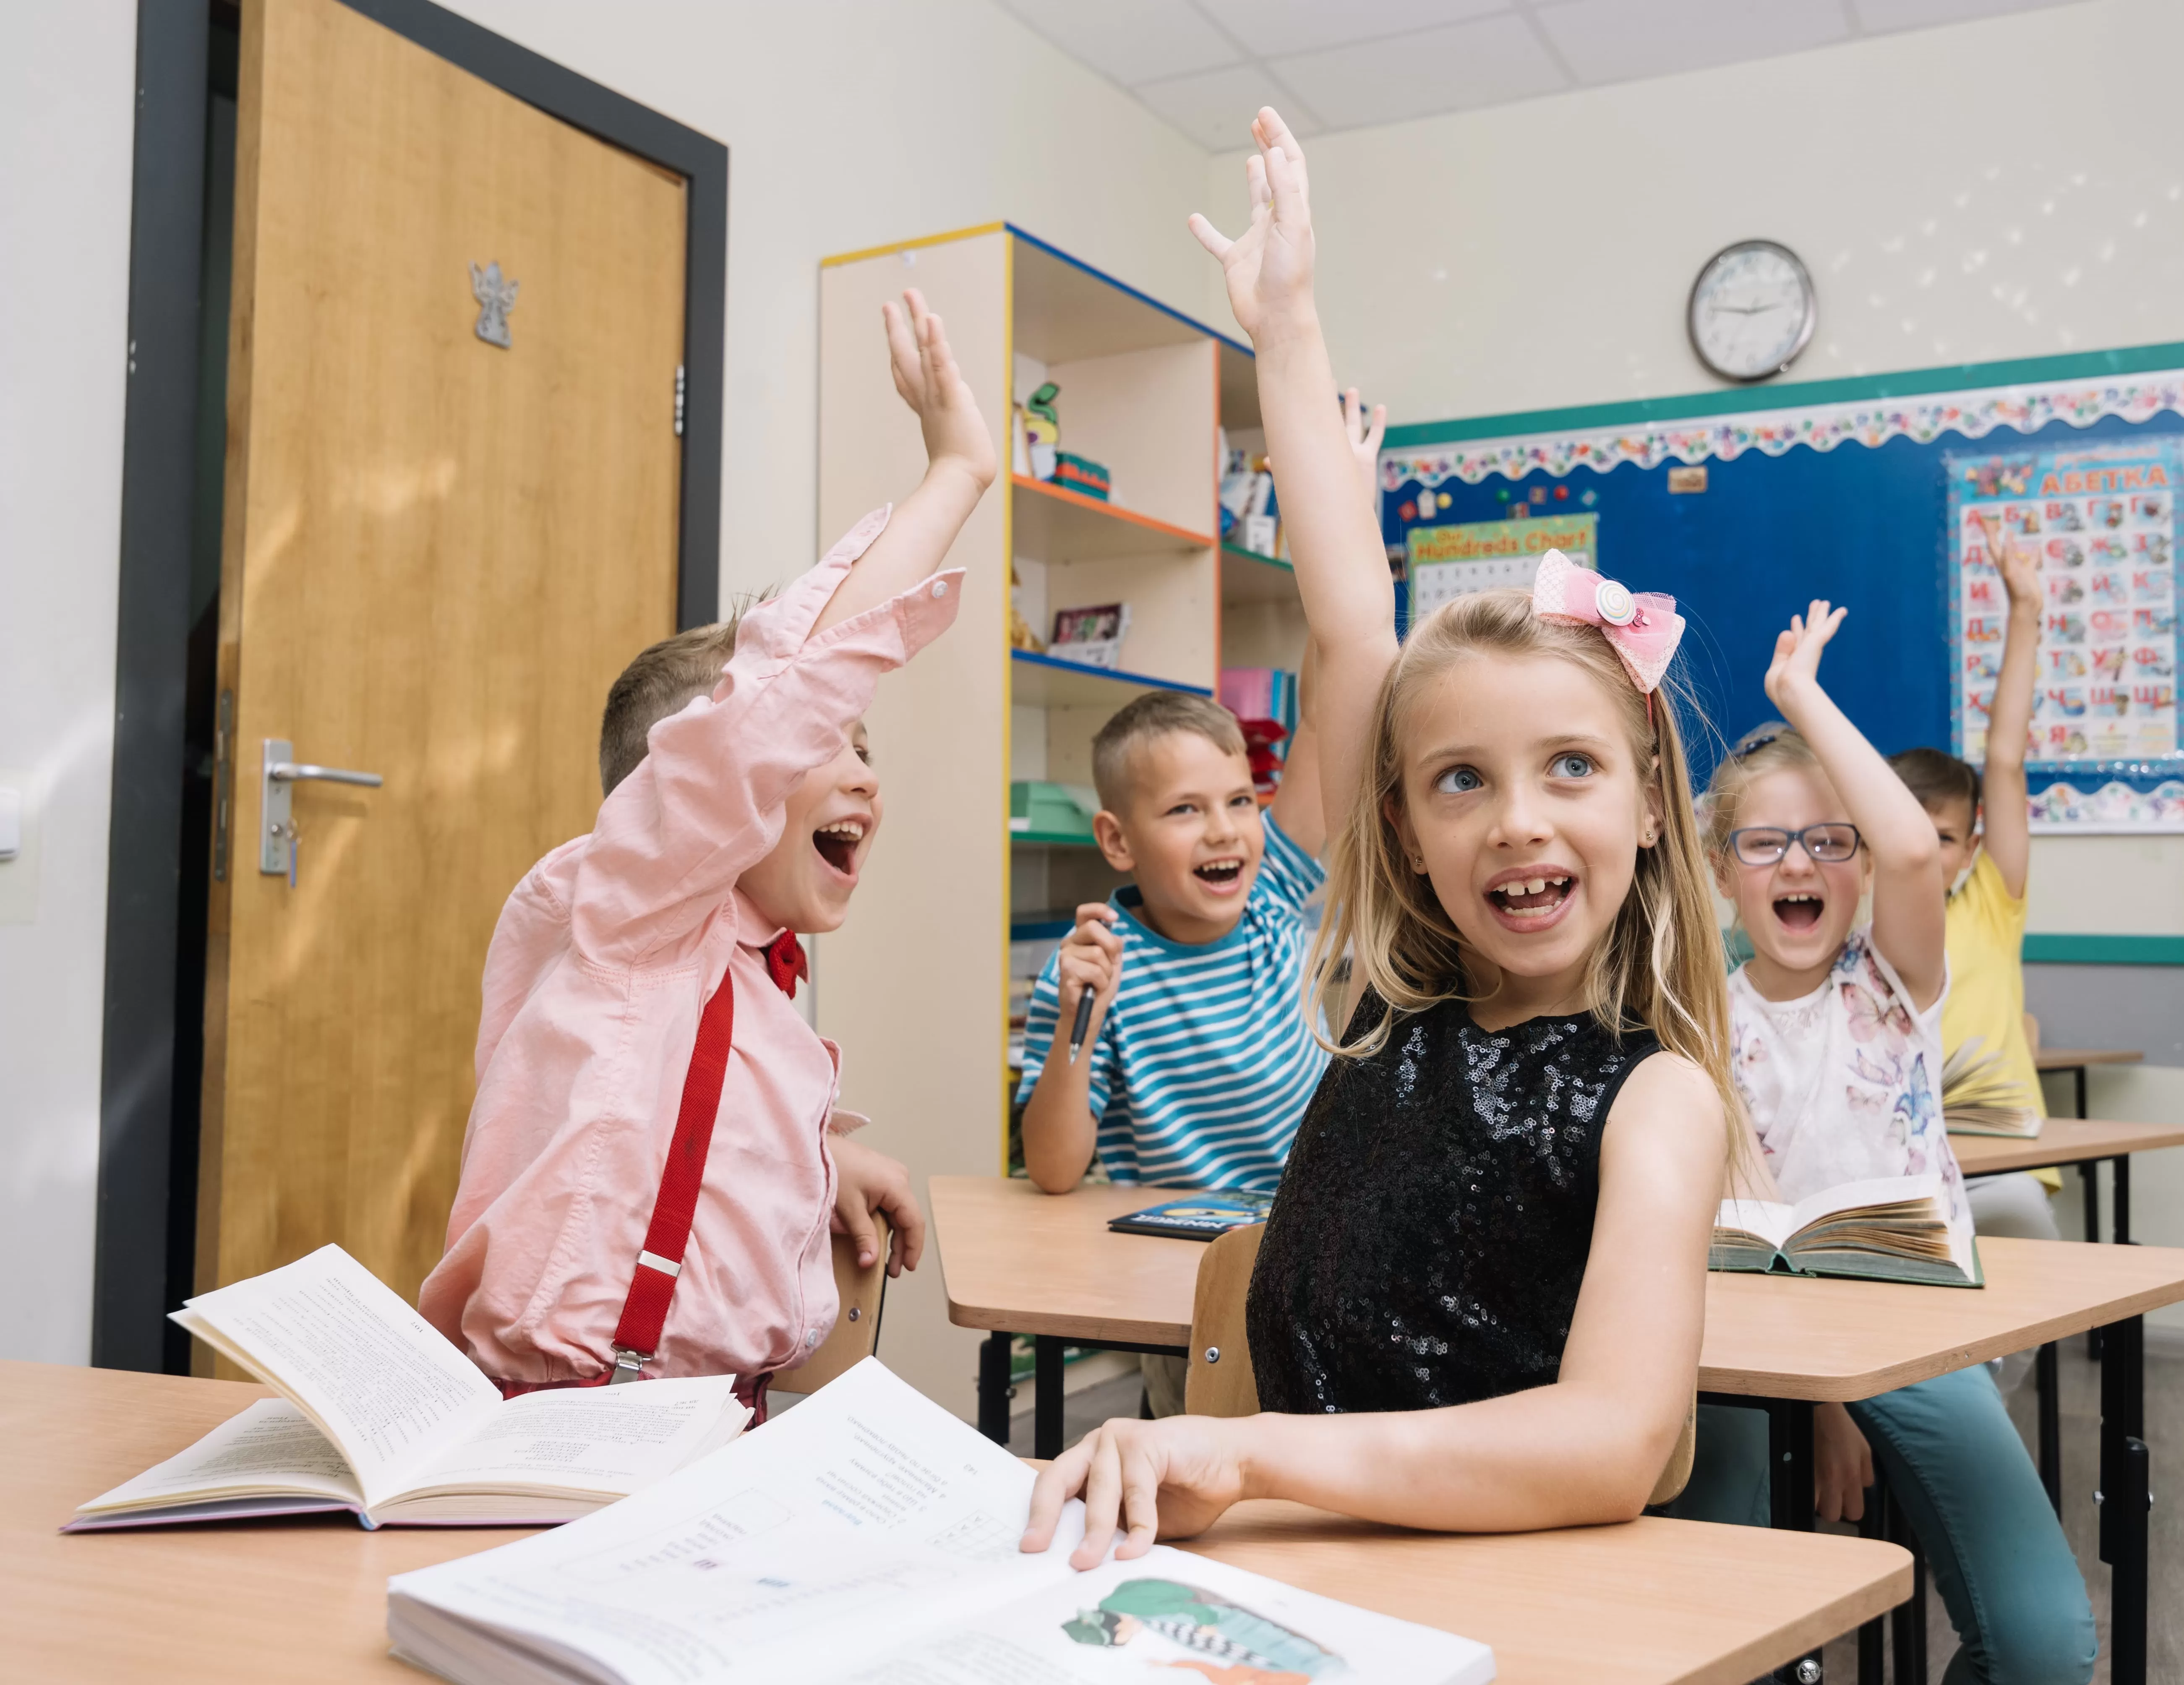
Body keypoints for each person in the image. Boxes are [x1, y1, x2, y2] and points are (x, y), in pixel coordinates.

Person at [1020, 107, 1748, 1570]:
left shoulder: (1656, 1098)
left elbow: (1609, 1442)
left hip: (1507, 1595)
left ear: (1651, 811)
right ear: (1402, 831)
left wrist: (1237, 1451)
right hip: (1298, 1560)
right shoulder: (1372, 1009)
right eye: (1459, 781)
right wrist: (1284, 328)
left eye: (1567, 768)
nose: (1517, 819)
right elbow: (1354, 621)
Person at [420, 290, 997, 1419]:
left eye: (867, 749)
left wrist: (822, 1161)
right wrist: (956, 475)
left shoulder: (748, 973)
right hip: (573, 1417)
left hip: (714, 1419)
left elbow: (676, 1120)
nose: (867, 775)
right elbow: (776, 702)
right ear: (700, 799)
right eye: (831, 741)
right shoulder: (633, 910)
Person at [1687, 609, 2095, 1685]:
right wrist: (1823, 1398)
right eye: (1765, 841)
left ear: (1861, 869)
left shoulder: (1892, 986)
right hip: (1739, 1347)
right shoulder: (1696, 1019)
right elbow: (1750, 1223)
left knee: (2043, 1648)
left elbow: (1916, 842)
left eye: (1831, 840)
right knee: (1718, 1628)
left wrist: (1801, 699)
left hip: (1913, 1332)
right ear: (1725, 870)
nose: (1800, 862)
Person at [1016, 394, 1383, 1419]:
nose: (1224, 830)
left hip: (1314, 1256)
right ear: (1118, 842)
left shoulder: (1274, 894)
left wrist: (1343, 512)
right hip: (1182, 1289)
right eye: (1185, 811)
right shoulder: (1092, 967)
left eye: (1238, 802)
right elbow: (1052, 1170)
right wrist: (1076, 1029)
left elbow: (1336, 676)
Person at [1891, 509, 2061, 1245]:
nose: (1927, 854)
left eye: (1945, 839)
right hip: (1898, 1159)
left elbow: (2005, 760)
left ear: (1973, 846)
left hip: (2000, 1159)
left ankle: (1992, 1371)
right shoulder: (1862, 921)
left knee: (2029, 1250)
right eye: (1907, 835)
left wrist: (2024, 611)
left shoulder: (1991, 902)